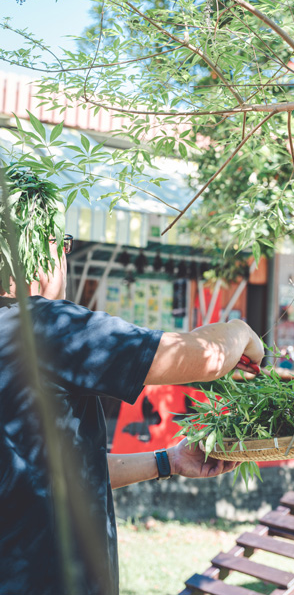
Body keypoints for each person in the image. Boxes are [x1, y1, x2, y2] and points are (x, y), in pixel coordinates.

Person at [0, 183, 264, 594]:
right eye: (63, 244)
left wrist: (169, 460)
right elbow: (201, 356)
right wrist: (240, 330)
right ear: (39, 250)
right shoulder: (48, 326)